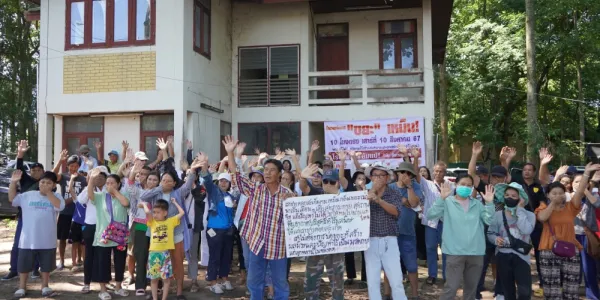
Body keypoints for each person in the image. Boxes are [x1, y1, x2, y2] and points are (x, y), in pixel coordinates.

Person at [224, 136, 295, 300]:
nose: (268, 173)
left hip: (278, 246)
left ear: (279, 174)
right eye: (266, 170)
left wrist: (293, 198)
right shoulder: (256, 189)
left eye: (272, 170)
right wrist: (230, 153)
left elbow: (300, 215)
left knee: (280, 284)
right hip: (257, 244)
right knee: (254, 283)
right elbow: (236, 176)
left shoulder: (287, 195)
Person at [140, 144, 200, 300]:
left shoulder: (178, 192)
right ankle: (157, 291)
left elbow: (187, 186)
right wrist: (159, 188)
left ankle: (179, 291)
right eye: (163, 179)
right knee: (156, 262)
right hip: (157, 235)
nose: (165, 182)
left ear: (174, 183)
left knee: (177, 262)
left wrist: (192, 171)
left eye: (169, 180)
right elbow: (144, 197)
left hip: (176, 234)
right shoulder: (156, 193)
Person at [535, 163, 600, 299]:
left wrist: (587, 173)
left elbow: (581, 191)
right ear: (548, 195)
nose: (558, 195)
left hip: (570, 249)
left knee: (571, 288)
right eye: (554, 193)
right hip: (548, 250)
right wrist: (552, 203)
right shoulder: (543, 206)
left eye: (560, 193)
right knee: (552, 288)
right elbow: (542, 217)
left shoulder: (570, 207)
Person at [426, 175, 495, 300]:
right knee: (451, 289)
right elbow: (431, 215)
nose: (466, 187)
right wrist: (441, 198)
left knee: (471, 290)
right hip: (454, 252)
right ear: (456, 185)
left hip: (475, 252)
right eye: (463, 184)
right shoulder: (447, 202)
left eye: (469, 185)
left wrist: (489, 203)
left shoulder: (477, 204)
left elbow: (489, 220)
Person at [9, 170, 65, 298]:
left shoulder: (57, 197)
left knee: (46, 267)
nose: (45, 184)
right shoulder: (28, 195)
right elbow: (12, 199)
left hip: (47, 239)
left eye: (49, 183)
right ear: (39, 183)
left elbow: (59, 206)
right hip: (28, 239)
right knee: (23, 265)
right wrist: (13, 182)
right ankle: (22, 287)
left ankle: (45, 286)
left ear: (54, 185)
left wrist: (49, 193)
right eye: (43, 182)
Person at [300, 166, 346, 300]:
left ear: (337, 183)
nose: (328, 185)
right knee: (311, 281)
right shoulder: (316, 195)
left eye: (332, 182)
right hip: (316, 246)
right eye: (325, 181)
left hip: (336, 248)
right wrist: (302, 177)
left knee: (337, 283)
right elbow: (304, 187)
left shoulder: (347, 200)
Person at [363, 163, 408, 300]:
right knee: (372, 282)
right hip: (370, 241)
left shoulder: (394, 192)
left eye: (381, 175)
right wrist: (370, 196)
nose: (378, 178)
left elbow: (396, 212)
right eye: (375, 175)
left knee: (396, 280)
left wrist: (379, 200)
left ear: (387, 177)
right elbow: (357, 214)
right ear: (371, 177)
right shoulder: (364, 193)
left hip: (390, 240)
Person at [487, 182, 535, 300]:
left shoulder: (530, 215)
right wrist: (495, 239)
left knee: (524, 292)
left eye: (514, 196)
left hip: (522, 257)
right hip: (503, 255)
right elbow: (490, 233)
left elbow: (526, 230)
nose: (510, 198)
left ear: (520, 199)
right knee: (507, 291)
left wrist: (520, 210)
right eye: (507, 195)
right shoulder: (498, 215)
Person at [384, 161, 424, 299]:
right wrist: (399, 199)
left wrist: (409, 188)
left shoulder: (416, 187)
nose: (405, 175)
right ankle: (387, 294)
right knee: (389, 266)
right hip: (389, 234)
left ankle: (414, 295)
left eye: (409, 173)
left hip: (408, 234)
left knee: (412, 266)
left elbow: (414, 203)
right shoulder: (388, 187)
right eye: (403, 172)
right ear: (397, 173)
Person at [4, 140, 43, 281]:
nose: (36, 172)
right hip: (24, 217)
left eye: (39, 170)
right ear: (30, 171)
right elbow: (19, 167)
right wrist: (20, 153)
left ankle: (36, 269)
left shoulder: (46, 182)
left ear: (43, 172)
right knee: (17, 244)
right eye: (34, 170)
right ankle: (14, 269)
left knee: (39, 243)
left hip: (40, 219)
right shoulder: (25, 180)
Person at [88, 172, 130, 299]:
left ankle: (118, 287)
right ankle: (103, 289)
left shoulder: (124, 194)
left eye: (112, 183)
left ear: (118, 184)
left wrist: (115, 192)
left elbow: (125, 203)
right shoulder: (101, 196)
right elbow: (90, 195)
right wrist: (91, 180)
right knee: (103, 262)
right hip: (103, 235)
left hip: (120, 235)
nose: (109, 185)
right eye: (107, 183)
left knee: (120, 261)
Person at [200, 157, 238, 294]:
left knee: (226, 256)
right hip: (214, 229)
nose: (223, 183)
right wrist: (204, 167)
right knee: (215, 256)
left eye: (226, 181)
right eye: (221, 180)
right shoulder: (214, 192)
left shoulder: (231, 196)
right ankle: (212, 281)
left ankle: (223, 279)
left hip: (228, 230)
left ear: (229, 184)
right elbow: (208, 181)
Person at [416, 159, 454, 284]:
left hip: (445, 222)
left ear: (445, 173)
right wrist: (412, 157)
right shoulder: (427, 184)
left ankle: (446, 276)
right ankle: (432, 275)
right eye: (436, 171)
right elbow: (416, 173)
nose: (437, 173)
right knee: (431, 248)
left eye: (440, 171)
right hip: (431, 222)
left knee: (446, 250)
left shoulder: (451, 185)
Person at [139, 195, 185, 300]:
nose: (155, 215)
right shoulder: (152, 222)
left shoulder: (170, 221)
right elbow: (147, 213)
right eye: (154, 212)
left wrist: (175, 202)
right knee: (154, 279)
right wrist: (145, 205)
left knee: (166, 279)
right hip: (153, 254)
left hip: (165, 254)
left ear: (165, 213)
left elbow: (182, 213)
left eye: (158, 212)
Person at [126, 160, 159, 296]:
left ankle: (158, 284)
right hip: (140, 226)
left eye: (154, 179)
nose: (150, 181)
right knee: (141, 256)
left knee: (156, 256)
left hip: (157, 227)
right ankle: (140, 284)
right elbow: (130, 186)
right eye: (148, 178)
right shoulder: (139, 191)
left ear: (158, 182)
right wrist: (133, 171)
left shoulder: (159, 193)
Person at [53, 151, 88, 271]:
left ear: (79, 166)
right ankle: (61, 260)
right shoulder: (63, 177)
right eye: (71, 165)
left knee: (78, 238)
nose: (74, 168)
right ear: (67, 166)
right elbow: (52, 175)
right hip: (65, 212)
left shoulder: (83, 179)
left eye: (76, 166)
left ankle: (79, 259)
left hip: (79, 213)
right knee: (62, 238)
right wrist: (60, 160)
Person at [78, 166, 109, 294]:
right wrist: (90, 182)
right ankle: (87, 282)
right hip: (90, 226)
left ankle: (104, 284)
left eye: (102, 175)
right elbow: (80, 200)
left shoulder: (110, 188)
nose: (99, 177)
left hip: (106, 228)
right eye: (96, 175)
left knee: (104, 256)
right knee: (89, 255)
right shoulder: (88, 188)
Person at [572, 173, 600, 299]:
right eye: (577, 182)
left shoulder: (591, 196)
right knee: (572, 270)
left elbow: (597, 204)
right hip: (570, 238)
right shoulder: (567, 197)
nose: (579, 184)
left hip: (586, 237)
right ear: (572, 184)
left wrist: (586, 191)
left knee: (589, 270)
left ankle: (593, 296)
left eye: (582, 182)